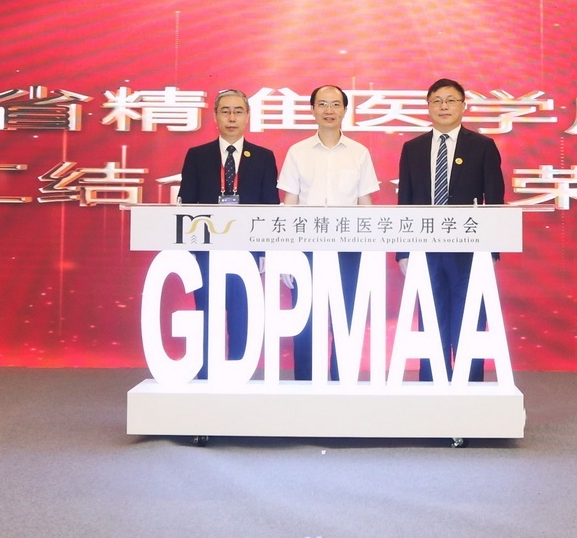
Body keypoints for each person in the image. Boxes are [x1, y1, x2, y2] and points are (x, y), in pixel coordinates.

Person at [395, 78, 505, 382]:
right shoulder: (413, 148)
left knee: (470, 319)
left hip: (469, 252)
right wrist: (403, 251)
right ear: (428, 106)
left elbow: (494, 200)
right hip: (425, 249)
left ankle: (470, 387)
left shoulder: (482, 146)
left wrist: (492, 250)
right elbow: (406, 201)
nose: (444, 106)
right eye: (437, 101)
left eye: (451, 100)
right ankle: (433, 387)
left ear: (463, 105)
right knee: (431, 320)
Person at [277, 85, 380, 381]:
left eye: (335, 104)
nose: (329, 110)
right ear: (312, 110)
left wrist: (371, 252)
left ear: (345, 110)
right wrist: (285, 253)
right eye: (322, 104)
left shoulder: (359, 153)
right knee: (306, 322)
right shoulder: (297, 152)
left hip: (348, 251)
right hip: (306, 250)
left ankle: (341, 385)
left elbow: (365, 204)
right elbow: (290, 203)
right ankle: (305, 386)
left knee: (345, 320)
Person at [178, 89, 280, 380]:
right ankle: (205, 376)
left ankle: (238, 376)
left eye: (238, 111)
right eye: (225, 111)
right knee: (206, 313)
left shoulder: (263, 157)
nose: (232, 117)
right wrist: (189, 250)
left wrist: (264, 252)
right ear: (215, 116)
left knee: (241, 315)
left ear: (247, 116)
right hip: (207, 250)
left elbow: (270, 207)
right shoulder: (197, 156)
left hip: (246, 251)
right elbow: (187, 203)